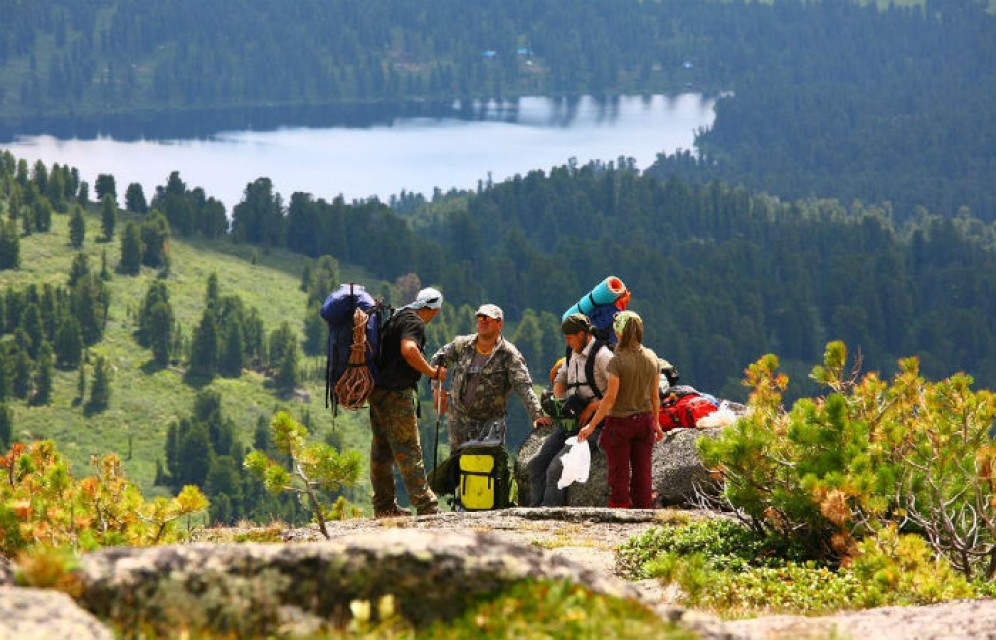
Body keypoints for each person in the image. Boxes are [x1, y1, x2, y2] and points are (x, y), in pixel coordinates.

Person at [368, 287, 448, 518]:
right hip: (396, 395)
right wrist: (432, 372)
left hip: (378, 392)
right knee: (409, 449)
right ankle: (426, 506)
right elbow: (409, 350)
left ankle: (384, 506)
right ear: (434, 310)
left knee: (382, 450)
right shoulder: (415, 322)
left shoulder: (398, 316)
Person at [430, 303, 551, 452]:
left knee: (489, 469)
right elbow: (438, 360)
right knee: (457, 468)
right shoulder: (462, 345)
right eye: (480, 318)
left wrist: (536, 414)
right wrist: (436, 389)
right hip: (458, 422)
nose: (482, 321)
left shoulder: (509, 354)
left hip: (490, 426)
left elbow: (523, 386)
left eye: (487, 319)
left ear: (499, 323)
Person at [579, 310, 664, 509]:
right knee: (643, 473)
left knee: (619, 475)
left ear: (619, 333)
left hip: (620, 424)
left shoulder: (617, 361)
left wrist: (591, 426)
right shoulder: (652, 358)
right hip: (645, 422)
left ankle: (620, 512)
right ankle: (644, 512)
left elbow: (610, 398)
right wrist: (657, 424)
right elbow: (654, 396)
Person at [527, 313, 612, 507]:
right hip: (571, 423)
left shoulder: (603, 356)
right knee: (537, 465)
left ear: (583, 334)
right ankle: (533, 511)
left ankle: (550, 513)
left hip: (596, 425)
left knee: (557, 467)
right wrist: (559, 402)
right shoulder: (572, 353)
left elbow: (617, 393)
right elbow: (560, 379)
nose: (567, 341)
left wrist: (592, 407)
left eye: (570, 337)